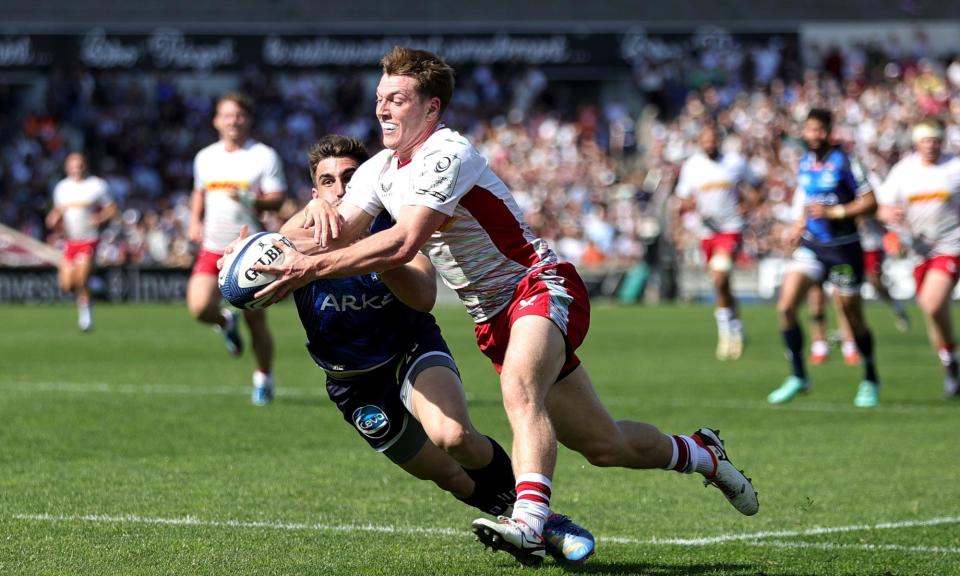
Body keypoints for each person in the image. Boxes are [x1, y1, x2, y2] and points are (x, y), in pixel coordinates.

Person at [250, 47, 757, 566]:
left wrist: (305, 267)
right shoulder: (380, 168)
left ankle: (531, 522)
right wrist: (257, 253)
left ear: (430, 109)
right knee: (606, 447)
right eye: (380, 98)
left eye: (397, 99)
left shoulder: (448, 152)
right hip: (493, 317)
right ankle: (701, 453)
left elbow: (402, 244)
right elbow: (333, 232)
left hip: (536, 285)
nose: (382, 109)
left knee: (518, 388)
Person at [242, 134, 595, 565]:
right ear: (314, 192)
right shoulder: (295, 236)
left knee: (455, 437)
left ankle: (542, 519)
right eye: (327, 181)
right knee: (450, 477)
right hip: (352, 381)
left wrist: (360, 252)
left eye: (349, 179)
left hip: (411, 348)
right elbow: (254, 274)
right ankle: (521, 522)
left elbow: (424, 294)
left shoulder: (397, 224)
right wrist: (236, 264)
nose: (339, 189)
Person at [767, 108, 882, 407]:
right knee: (786, 305)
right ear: (803, 132)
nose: (814, 135)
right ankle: (798, 376)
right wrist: (798, 225)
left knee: (852, 316)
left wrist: (835, 212)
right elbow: (807, 199)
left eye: (820, 130)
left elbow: (870, 202)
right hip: (813, 246)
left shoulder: (845, 161)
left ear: (829, 132)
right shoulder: (805, 162)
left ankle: (870, 376)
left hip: (844, 248)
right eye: (809, 130)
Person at [187, 93, 286, 406]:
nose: (233, 120)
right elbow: (199, 192)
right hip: (213, 245)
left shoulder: (263, 155)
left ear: (249, 119)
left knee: (257, 322)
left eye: (239, 115)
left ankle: (263, 378)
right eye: (227, 115)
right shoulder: (205, 157)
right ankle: (225, 323)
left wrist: (250, 200)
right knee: (199, 308)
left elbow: (278, 199)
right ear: (217, 120)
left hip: (248, 249)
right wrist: (193, 220)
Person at [878, 119, 960, 399]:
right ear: (917, 142)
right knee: (932, 311)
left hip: (951, 247)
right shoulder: (904, 171)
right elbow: (882, 206)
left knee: (931, 302)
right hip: (918, 252)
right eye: (926, 140)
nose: (931, 146)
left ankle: (951, 365)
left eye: (936, 140)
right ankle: (950, 366)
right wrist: (889, 215)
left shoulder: (955, 167)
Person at [675, 124, 753, 360]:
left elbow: (757, 186)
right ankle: (736, 328)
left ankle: (726, 335)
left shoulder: (735, 162)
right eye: (705, 141)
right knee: (721, 284)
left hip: (730, 228)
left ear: (719, 140)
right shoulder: (692, 166)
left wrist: (749, 206)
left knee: (720, 276)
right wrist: (688, 211)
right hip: (706, 232)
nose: (710, 144)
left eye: (713, 140)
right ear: (700, 142)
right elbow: (682, 199)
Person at [46, 152, 117, 332]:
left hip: (89, 239)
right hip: (70, 241)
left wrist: (99, 218)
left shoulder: (97, 185)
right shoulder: (62, 187)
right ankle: (95, 286)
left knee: (81, 278)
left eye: (79, 164)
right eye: (73, 165)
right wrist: (53, 217)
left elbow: (112, 209)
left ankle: (86, 315)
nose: (76, 168)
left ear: (85, 165)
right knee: (67, 284)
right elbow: (59, 210)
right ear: (67, 167)